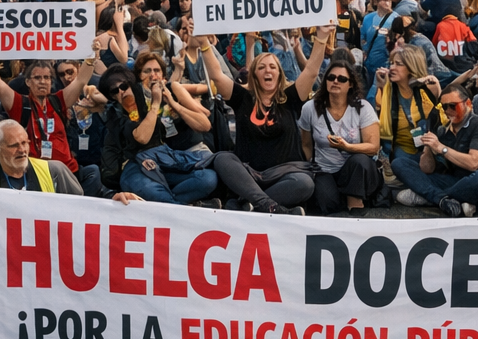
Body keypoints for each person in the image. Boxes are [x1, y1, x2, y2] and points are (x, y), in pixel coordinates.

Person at [200, 26, 335, 213]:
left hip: (285, 175)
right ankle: (272, 207)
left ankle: (249, 204)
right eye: (261, 67)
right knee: (223, 159)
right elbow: (216, 75)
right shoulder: (242, 98)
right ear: (254, 74)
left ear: (279, 74)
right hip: (249, 175)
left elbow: (311, 71)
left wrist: (322, 37)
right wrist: (203, 43)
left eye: (272, 67)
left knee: (305, 183)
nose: (267, 71)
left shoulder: (290, 98)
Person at [0, 46, 103, 196]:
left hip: (70, 170)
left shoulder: (58, 101)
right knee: (57, 168)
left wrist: (91, 57)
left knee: (93, 172)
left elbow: (80, 80)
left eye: (47, 78)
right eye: (37, 78)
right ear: (28, 82)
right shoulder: (20, 104)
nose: (43, 82)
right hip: (41, 172)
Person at [98, 58, 220, 207]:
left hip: (164, 159)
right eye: (114, 91)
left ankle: (177, 204)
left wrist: (172, 102)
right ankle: (187, 207)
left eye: (124, 86)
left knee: (208, 178)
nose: (121, 92)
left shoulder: (161, 93)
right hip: (135, 166)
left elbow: (205, 124)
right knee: (152, 191)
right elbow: (142, 137)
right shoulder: (116, 114)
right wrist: (155, 104)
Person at [392, 82, 478, 217]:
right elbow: (427, 169)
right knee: (400, 163)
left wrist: (441, 148)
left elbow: (473, 163)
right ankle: (446, 200)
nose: (448, 110)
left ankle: (432, 198)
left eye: (453, 106)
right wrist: (429, 146)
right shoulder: (443, 130)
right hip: (456, 180)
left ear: (468, 104)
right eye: (444, 107)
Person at [299, 59, 382, 215]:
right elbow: (306, 144)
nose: (335, 81)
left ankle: (355, 203)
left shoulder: (363, 108)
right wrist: (310, 167)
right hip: (324, 169)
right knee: (327, 203)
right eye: (331, 77)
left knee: (360, 160)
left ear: (350, 84)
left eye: (342, 79)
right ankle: (341, 199)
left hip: (354, 169)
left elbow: (373, 147)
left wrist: (347, 147)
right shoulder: (310, 108)